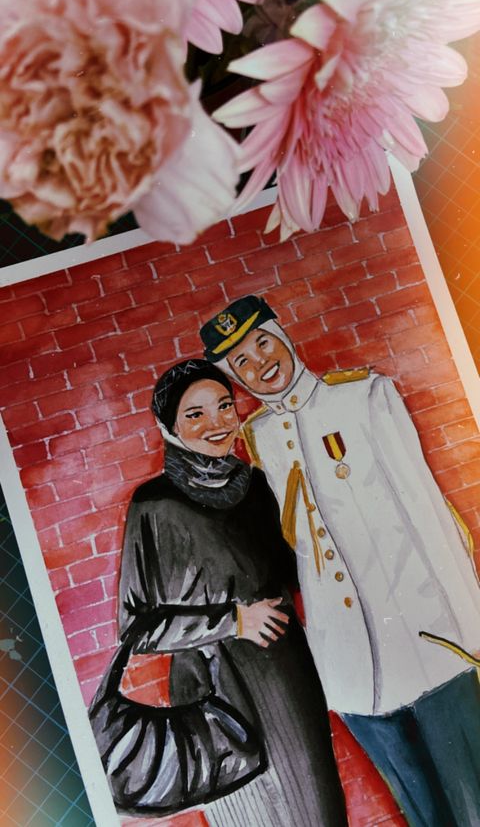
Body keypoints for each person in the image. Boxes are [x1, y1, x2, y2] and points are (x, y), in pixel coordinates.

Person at [200, 294, 480, 827]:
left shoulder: (364, 396)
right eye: (241, 361)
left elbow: (427, 511)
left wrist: (470, 629)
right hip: (350, 667)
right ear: (234, 378)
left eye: (263, 343)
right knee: (423, 815)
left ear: (282, 334)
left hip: (429, 639)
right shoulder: (258, 437)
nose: (260, 363)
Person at [89, 358, 348, 826]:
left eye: (225, 406)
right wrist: (234, 620)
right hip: (213, 697)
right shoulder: (154, 505)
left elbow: (293, 577)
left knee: (318, 812)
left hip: (286, 682)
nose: (217, 422)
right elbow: (137, 629)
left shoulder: (258, 486)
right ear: (169, 427)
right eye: (196, 414)